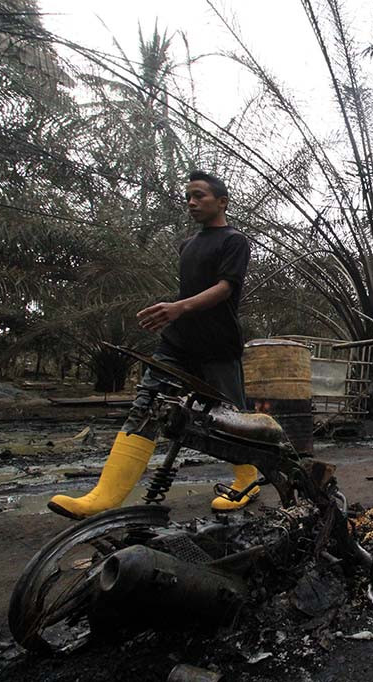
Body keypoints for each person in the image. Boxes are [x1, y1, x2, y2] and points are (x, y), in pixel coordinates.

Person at [49, 171, 257, 518]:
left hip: (218, 345)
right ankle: (104, 497)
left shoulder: (234, 241)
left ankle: (247, 481)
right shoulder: (187, 245)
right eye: (188, 196)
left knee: (229, 419)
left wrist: (179, 307)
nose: (191, 202)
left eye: (200, 196)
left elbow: (226, 289)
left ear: (222, 202)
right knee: (146, 406)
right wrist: (176, 314)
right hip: (177, 343)